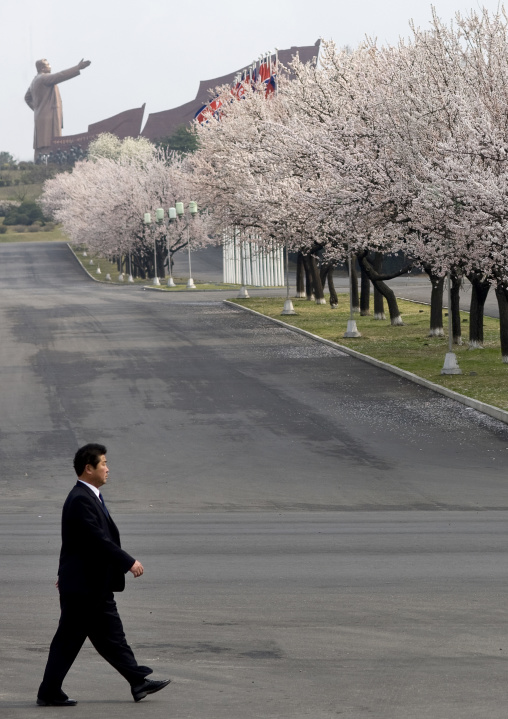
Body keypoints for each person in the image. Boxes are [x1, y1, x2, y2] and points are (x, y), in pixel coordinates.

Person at [36, 443, 170, 706]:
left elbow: (75, 544)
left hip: (89, 584)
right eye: (104, 464)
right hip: (84, 587)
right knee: (71, 641)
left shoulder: (88, 496)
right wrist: (128, 562)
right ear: (89, 468)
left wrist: (66, 572)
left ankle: (137, 681)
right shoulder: (80, 500)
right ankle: (49, 691)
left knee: (110, 637)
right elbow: (96, 540)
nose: (108, 469)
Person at [24, 58, 91, 160]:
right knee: (52, 144)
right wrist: (78, 67)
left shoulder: (35, 80)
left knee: (41, 146)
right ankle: (51, 168)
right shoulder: (44, 78)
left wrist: (38, 109)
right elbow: (61, 75)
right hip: (50, 116)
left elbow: (27, 98)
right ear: (42, 68)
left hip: (40, 117)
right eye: (48, 64)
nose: (50, 66)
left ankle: (39, 168)